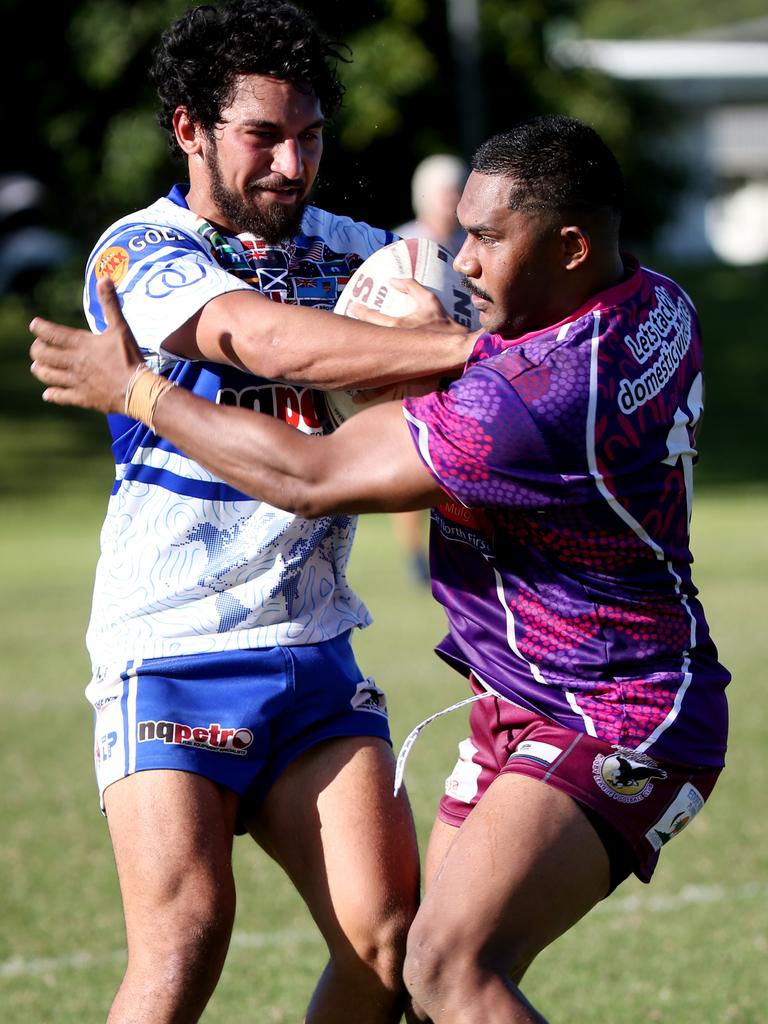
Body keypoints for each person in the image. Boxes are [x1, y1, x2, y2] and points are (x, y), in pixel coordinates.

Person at [30, 114, 731, 1023]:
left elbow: (308, 476)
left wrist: (137, 390)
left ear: (569, 245)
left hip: (619, 710)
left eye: (485, 240)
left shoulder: (530, 401)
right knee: (409, 967)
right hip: (527, 691)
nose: (461, 262)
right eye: (461, 234)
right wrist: (450, 346)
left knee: (448, 969)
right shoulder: (658, 302)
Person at [30, 3, 476, 1022]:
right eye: (262, 136)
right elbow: (261, 341)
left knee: (388, 936)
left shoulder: (360, 253)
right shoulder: (139, 249)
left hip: (314, 649)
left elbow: (461, 299)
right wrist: (464, 352)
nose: (291, 162)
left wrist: (467, 319)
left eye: (310, 136)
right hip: (173, 647)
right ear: (189, 129)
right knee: (183, 947)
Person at [392, 153, 470, 585]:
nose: (453, 201)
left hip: (465, 374)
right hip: (415, 375)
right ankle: (415, 557)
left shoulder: (471, 246)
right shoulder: (402, 247)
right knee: (414, 466)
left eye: (458, 192)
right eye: (446, 192)